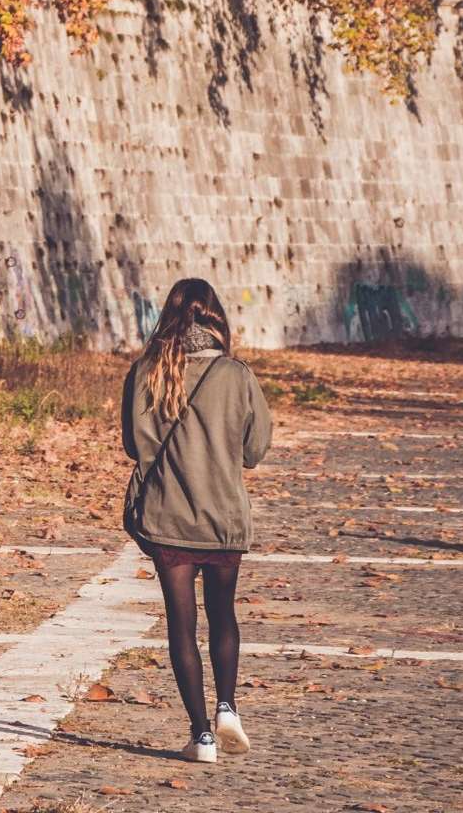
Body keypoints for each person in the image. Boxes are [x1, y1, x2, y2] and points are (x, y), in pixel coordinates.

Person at [120, 278, 273, 763]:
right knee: (223, 616)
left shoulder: (146, 371)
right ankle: (229, 706)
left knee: (181, 627)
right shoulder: (236, 374)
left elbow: (134, 446)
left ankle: (201, 735)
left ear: (170, 315)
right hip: (223, 517)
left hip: (169, 518)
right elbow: (255, 451)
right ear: (215, 316)